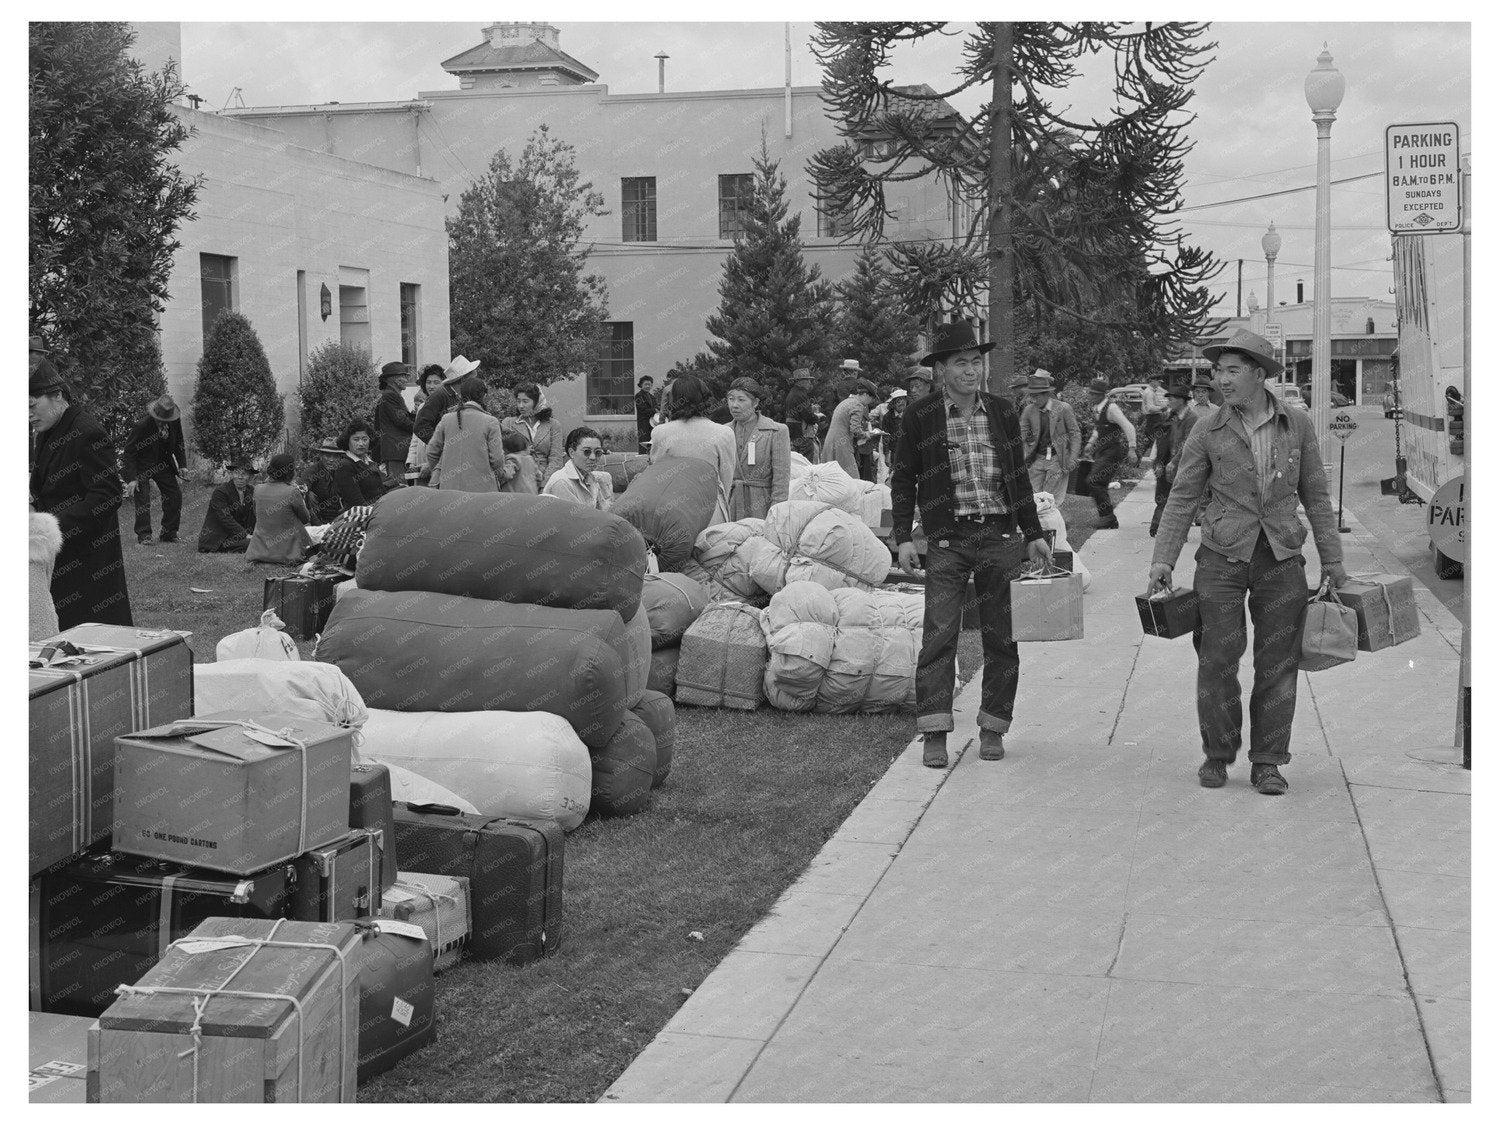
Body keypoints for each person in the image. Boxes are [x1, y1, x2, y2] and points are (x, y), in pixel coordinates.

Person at [1147, 328, 1347, 797]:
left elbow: (1316, 496)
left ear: (1259, 374)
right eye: (1218, 370)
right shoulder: (1207, 428)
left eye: (1232, 370)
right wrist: (1163, 559)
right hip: (1221, 558)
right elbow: (1182, 497)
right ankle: (1218, 754)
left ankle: (1268, 762)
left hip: (1280, 559)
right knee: (1217, 658)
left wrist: (1333, 561)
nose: (1222, 379)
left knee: (1277, 663)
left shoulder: (1296, 425)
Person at [892, 321, 1051, 769]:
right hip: (947, 539)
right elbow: (904, 479)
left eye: (975, 362)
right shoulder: (920, 415)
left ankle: (993, 726)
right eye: (960, 362)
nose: (970, 370)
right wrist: (904, 536)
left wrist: (1034, 532)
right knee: (939, 637)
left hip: (1000, 538)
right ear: (940, 369)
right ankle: (935, 732)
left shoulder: (1001, 411)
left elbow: (1018, 476)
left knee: (1002, 638)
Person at [29, 361, 132, 627]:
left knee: (93, 637)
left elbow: (107, 496)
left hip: (89, 558)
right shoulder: (48, 429)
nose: (28, 415)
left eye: (31, 406)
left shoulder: (87, 432)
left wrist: (50, 526)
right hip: (62, 552)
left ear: (57, 395)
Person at [648, 373, 737, 523]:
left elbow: (657, 475)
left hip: (672, 509)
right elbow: (726, 479)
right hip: (711, 509)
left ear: (673, 399)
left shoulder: (660, 433)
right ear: (704, 397)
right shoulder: (724, 433)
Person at [426, 372, 510, 492]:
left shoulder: (446, 419)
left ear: (460, 396)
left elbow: (431, 451)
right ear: (484, 395)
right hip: (482, 492)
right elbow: (497, 460)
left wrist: (441, 470)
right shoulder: (490, 421)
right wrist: (502, 476)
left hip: (449, 490)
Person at [121, 393, 187, 545]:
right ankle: (144, 536)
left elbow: (178, 442)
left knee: (174, 495)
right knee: (143, 499)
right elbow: (129, 452)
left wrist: (182, 464)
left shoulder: (174, 421)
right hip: (142, 465)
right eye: (161, 419)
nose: (163, 422)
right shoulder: (141, 425)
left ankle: (169, 533)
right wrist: (131, 478)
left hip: (163, 464)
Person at [725, 376, 791, 520]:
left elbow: (781, 480)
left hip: (762, 506)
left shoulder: (775, 431)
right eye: (731, 399)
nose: (734, 405)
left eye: (741, 400)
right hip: (731, 506)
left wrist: (776, 514)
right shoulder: (723, 432)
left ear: (755, 403)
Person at [1081, 376, 1138, 529]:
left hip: (1112, 451)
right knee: (1097, 482)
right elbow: (1098, 429)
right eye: (1090, 393)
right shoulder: (1097, 408)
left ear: (1101, 395)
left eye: (1093, 394)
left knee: (1094, 481)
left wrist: (1132, 449)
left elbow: (1129, 427)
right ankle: (1107, 518)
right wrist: (1090, 444)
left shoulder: (1112, 408)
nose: (1090, 396)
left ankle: (1108, 518)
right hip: (1102, 451)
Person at [1019, 369, 1081, 498]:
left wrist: (1072, 458)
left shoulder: (1063, 408)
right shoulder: (1029, 411)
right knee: (1032, 497)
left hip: (1057, 459)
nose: (1033, 400)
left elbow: (1075, 434)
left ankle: (1050, 517)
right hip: (1036, 459)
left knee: (1049, 499)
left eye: (1036, 396)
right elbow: (1021, 435)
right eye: (1031, 396)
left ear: (1046, 394)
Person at [1148, 381, 1195, 538]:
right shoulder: (1172, 416)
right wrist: (1159, 462)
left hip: (1183, 464)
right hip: (1169, 462)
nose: (1169, 401)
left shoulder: (1191, 418)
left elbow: (1187, 444)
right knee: (1164, 496)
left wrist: (1174, 462)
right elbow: (1163, 441)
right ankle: (1160, 528)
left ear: (1182, 400)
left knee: (1179, 500)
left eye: (1172, 398)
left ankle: (1174, 532)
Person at [247, 453, 312, 564]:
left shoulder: (257, 489)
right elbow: (306, 519)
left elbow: (257, 515)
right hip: (287, 552)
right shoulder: (292, 491)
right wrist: (302, 497)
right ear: (290, 473)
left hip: (259, 551)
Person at [502, 381, 562, 486]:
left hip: (545, 479)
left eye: (525, 401)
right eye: (518, 401)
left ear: (537, 402)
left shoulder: (553, 425)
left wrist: (544, 485)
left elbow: (555, 459)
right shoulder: (509, 423)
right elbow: (502, 455)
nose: (521, 406)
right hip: (517, 481)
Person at [822, 378, 881, 479]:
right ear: (866, 395)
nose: (869, 403)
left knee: (830, 478)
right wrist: (867, 434)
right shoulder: (858, 405)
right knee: (852, 479)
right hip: (842, 444)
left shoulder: (845, 402)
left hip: (830, 442)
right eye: (871, 399)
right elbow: (855, 430)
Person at [544, 426, 614, 510]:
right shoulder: (561, 483)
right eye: (587, 452)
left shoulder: (590, 477)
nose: (593, 457)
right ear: (572, 452)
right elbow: (577, 520)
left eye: (598, 452)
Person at [197, 459, 257, 552]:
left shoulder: (251, 491)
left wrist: (257, 534)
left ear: (250, 477)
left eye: (244, 474)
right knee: (255, 544)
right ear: (231, 474)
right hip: (219, 538)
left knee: (263, 540)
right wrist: (246, 535)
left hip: (237, 536)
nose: (240, 477)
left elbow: (254, 516)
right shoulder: (221, 492)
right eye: (236, 473)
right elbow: (225, 518)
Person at [413, 356, 475, 445]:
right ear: (463, 379)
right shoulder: (439, 396)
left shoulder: (461, 395)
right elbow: (420, 427)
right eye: (471, 377)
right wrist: (441, 445)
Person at [333, 419, 387, 512]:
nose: (361, 443)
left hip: (379, 512)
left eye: (365, 439)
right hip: (360, 518)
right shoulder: (344, 466)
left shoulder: (370, 463)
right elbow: (356, 503)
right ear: (347, 441)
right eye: (356, 439)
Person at [373, 361, 414, 482]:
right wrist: (420, 427)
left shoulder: (391, 395)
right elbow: (401, 421)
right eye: (405, 376)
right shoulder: (390, 395)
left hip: (397, 452)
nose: (407, 379)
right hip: (396, 452)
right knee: (400, 489)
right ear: (396, 379)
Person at [406, 364, 446, 477]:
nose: (431, 386)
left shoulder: (447, 407)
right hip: (420, 462)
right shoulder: (422, 407)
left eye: (436, 382)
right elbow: (415, 437)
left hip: (438, 464)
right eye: (428, 382)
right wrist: (411, 462)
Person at [782, 367, 823, 461]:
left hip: (793, 432)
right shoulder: (801, 395)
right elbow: (808, 417)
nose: (810, 383)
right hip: (802, 433)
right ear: (800, 381)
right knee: (807, 462)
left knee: (796, 461)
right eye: (808, 380)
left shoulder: (792, 393)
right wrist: (818, 418)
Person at [498, 429, 540, 494]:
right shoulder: (530, 459)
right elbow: (539, 476)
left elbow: (507, 475)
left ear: (505, 449)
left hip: (515, 498)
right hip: (532, 496)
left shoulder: (513, 459)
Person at [1139, 373, 1169, 461]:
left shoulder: (1151, 391)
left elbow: (1153, 405)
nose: (1159, 384)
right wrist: (1162, 407)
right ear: (1152, 381)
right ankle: (1159, 460)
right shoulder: (1149, 393)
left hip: (1152, 418)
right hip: (1153, 418)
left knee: (1149, 441)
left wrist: (1161, 406)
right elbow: (1150, 408)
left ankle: (1137, 460)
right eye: (1158, 382)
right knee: (1159, 439)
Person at [635, 375, 657, 454]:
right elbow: (642, 409)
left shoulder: (652, 397)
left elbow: (655, 407)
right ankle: (642, 458)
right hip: (643, 422)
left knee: (651, 441)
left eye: (649, 384)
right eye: (646, 384)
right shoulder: (638, 396)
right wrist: (654, 410)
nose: (648, 386)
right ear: (641, 385)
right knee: (644, 441)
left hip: (652, 423)